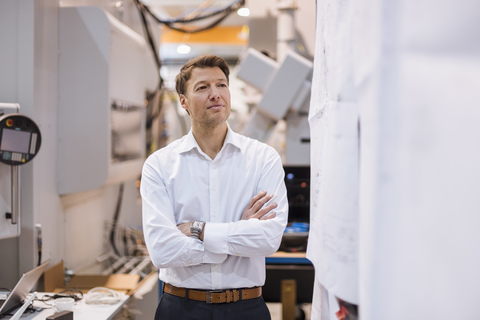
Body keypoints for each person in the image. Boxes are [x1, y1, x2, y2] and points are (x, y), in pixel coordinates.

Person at [140, 54, 288, 320]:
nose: (215, 94)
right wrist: (237, 237)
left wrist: (198, 229)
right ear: (183, 101)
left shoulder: (263, 159)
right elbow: (162, 250)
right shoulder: (160, 166)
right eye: (202, 87)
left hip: (247, 308)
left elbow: (268, 239)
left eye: (221, 85)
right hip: (181, 308)